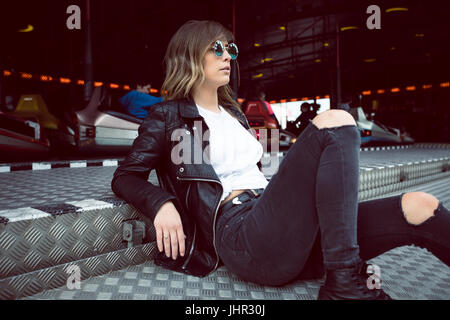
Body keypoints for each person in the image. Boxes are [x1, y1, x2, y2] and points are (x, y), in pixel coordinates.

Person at [111, 20, 450, 300]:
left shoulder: (235, 115)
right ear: (189, 55)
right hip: (242, 234)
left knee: (421, 206)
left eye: (231, 49)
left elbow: (268, 175)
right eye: (217, 48)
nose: (228, 55)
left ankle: (342, 273)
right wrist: (162, 203)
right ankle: (344, 284)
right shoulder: (169, 116)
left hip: (284, 227)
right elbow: (126, 176)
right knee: (337, 122)